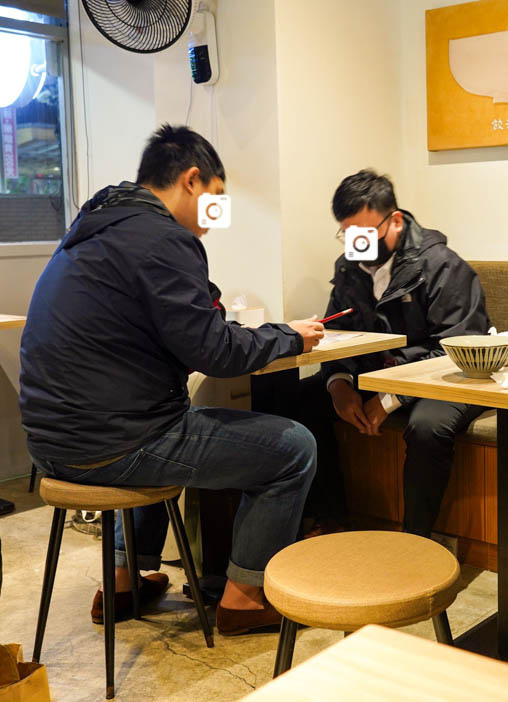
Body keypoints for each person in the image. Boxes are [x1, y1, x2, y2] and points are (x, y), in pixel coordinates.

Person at [19, 125, 323, 635]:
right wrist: (289, 336)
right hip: (111, 442)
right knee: (293, 447)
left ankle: (120, 581)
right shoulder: (164, 239)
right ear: (191, 180)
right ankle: (244, 598)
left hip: (50, 443)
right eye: (216, 201)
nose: (215, 217)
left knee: (170, 421)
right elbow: (217, 351)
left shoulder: (95, 227)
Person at [300, 169, 489, 537]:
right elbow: (338, 334)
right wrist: (338, 382)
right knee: (294, 400)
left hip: (447, 378)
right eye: (348, 234)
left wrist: (390, 398)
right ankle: (333, 518)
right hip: (376, 375)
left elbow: (456, 350)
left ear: (395, 222)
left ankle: (415, 540)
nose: (356, 245)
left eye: (365, 234)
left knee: (427, 426)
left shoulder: (441, 265)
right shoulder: (348, 268)